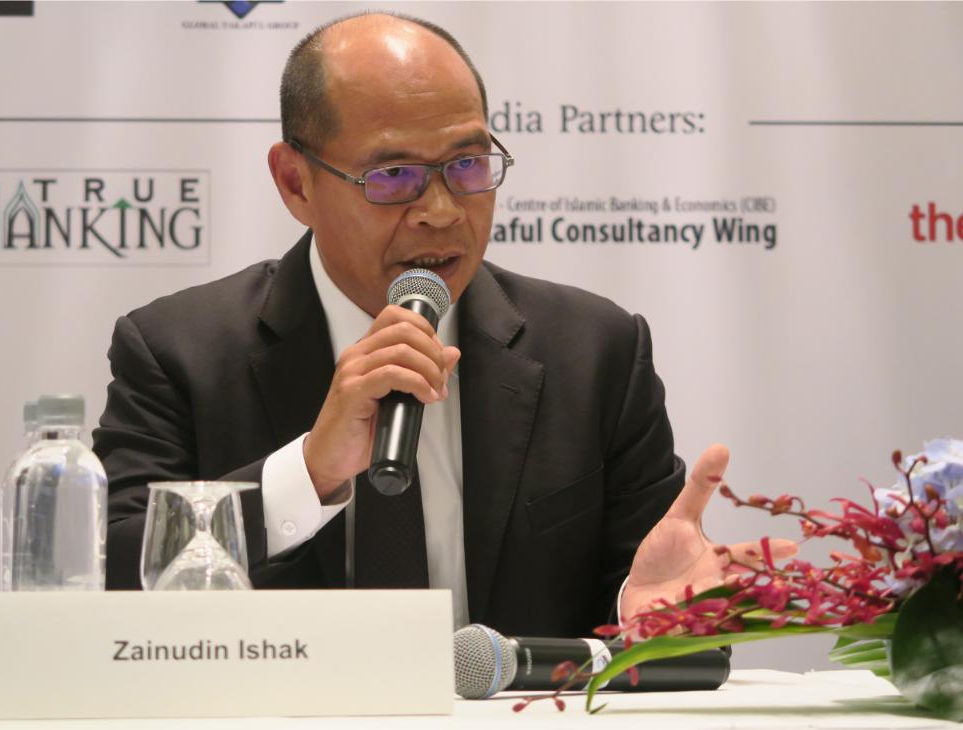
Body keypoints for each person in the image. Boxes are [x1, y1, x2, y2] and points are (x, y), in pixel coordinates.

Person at [93, 12, 792, 637]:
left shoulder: (594, 350)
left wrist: (660, 622)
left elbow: (643, 597)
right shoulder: (179, 351)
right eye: (394, 175)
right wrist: (309, 473)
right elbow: (106, 580)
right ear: (295, 183)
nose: (442, 211)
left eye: (467, 164)